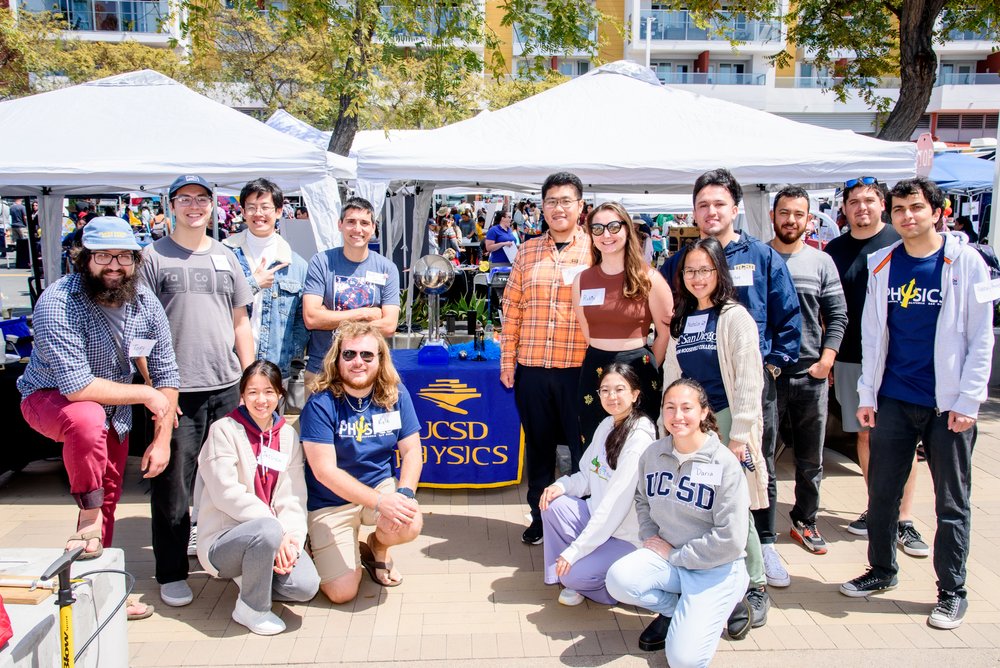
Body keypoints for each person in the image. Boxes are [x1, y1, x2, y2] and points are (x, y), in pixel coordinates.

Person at [840, 177, 994, 631]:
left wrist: (969, 400)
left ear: (937, 211)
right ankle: (882, 570)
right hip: (893, 400)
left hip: (948, 406)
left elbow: (982, 338)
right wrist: (867, 394)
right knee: (882, 494)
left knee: (952, 503)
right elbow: (872, 333)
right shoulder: (882, 262)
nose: (908, 216)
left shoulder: (966, 263)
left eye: (917, 208)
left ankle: (952, 590)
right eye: (900, 209)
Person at [18, 217, 179, 621]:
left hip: (114, 413)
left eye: (124, 255)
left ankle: (104, 589)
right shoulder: (59, 301)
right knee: (88, 418)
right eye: (103, 255)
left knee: (111, 493)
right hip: (49, 399)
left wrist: (160, 441)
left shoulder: (144, 301)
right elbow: (76, 387)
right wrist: (145, 394)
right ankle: (86, 513)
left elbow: (167, 373)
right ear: (83, 258)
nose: (114, 264)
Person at [659, 168, 800, 590]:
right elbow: (672, 324)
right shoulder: (676, 264)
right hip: (698, 409)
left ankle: (764, 548)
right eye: (703, 204)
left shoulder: (761, 256)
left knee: (756, 472)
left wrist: (768, 368)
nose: (711, 211)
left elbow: (787, 316)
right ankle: (721, 558)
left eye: (719, 203)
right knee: (713, 488)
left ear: (735, 208)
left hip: (747, 392)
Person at [140, 174, 255, 608]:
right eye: (185, 198)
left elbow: (240, 322)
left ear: (213, 206)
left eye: (202, 199)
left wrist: (250, 381)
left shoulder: (227, 257)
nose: (194, 206)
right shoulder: (151, 257)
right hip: (174, 390)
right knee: (173, 488)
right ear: (171, 204)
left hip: (226, 386)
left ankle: (226, 555)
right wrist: (154, 391)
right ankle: (171, 571)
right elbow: (140, 332)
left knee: (231, 477)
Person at [661, 236, 768, 637]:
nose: (697, 277)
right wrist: (667, 423)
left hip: (725, 422)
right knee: (695, 505)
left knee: (735, 508)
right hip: (689, 426)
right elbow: (673, 375)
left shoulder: (734, 317)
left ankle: (754, 585)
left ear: (719, 271)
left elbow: (749, 378)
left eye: (705, 269)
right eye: (690, 270)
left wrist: (740, 434)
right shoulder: (683, 319)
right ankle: (709, 578)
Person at [606, 379, 751, 664]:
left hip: (714, 568)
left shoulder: (723, 464)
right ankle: (677, 608)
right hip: (670, 558)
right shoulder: (654, 453)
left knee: (682, 661)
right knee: (618, 580)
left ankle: (725, 600)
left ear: (704, 412)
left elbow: (731, 540)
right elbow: (642, 500)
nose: (678, 416)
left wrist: (677, 555)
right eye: (670, 408)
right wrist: (651, 539)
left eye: (687, 408)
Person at [824, 177, 926, 553]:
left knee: (904, 441)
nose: (861, 207)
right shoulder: (834, 250)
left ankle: (905, 518)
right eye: (854, 201)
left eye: (869, 200)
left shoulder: (900, 245)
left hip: (898, 359)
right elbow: (827, 309)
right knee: (865, 436)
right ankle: (877, 508)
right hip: (851, 357)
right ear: (845, 208)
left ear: (882, 204)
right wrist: (830, 355)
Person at [300, 321, 423, 602]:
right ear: (337, 358)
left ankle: (376, 547)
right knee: (342, 593)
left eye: (367, 355)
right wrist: (381, 503)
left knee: (410, 521)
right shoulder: (320, 403)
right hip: (330, 502)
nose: (359, 362)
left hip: (378, 488)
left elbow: (412, 451)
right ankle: (316, 541)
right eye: (350, 354)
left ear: (380, 359)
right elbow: (324, 472)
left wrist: (403, 495)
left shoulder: (395, 394)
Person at [501, 172, 591, 546]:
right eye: (551, 201)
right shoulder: (527, 250)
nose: (558, 208)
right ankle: (540, 518)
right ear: (542, 207)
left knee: (583, 449)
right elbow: (512, 309)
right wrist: (508, 361)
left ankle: (584, 520)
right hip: (533, 370)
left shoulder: (596, 250)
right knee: (538, 449)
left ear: (580, 207)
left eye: (566, 200)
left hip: (580, 372)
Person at [196, 361, 319, 635]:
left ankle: (254, 573)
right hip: (223, 542)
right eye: (252, 392)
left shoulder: (287, 435)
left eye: (268, 392)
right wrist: (274, 529)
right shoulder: (224, 430)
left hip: (272, 533)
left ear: (279, 394)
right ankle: (252, 608)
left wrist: (292, 541)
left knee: (305, 586)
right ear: (242, 395)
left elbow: (293, 497)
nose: (261, 400)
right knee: (266, 529)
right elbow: (226, 493)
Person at [767, 186, 847, 555]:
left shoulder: (821, 262)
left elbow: (837, 316)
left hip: (810, 373)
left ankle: (805, 520)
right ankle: (762, 527)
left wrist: (826, 360)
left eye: (798, 214)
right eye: (784, 213)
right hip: (768, 374)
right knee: (762, 455)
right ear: (773, 215)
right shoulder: (760, 257)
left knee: (810, 457)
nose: (791, 220)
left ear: (809, 220)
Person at [539, 363, 657, 606]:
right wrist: (560, 486)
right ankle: (572, 574)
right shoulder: (607, 425)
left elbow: (614, 506)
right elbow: (586, 476)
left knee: (572, 572)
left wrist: (575, 551)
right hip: (598, 522)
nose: (611, 396)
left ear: (635, 394)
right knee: (552, 504)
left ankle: (608, 586)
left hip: (625, 536)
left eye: (619, 389)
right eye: (605, 390)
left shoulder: (639, 438)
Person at [573, 201, 673, 446]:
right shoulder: (581, 280)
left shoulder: (649, 278)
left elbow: (665, 334)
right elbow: (586, 330)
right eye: (597, 228)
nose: (606, 234)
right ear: (591, 235)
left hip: (638, 369)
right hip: (595, 368)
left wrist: (646, 365)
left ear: (627, 229)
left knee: (637, 446)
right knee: (594, 444)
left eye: (613, 226)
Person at [302, 197, 400, 396]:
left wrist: (329, 316)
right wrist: (365, 313)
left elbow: (389, 326)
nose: (358, 229)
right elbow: (311, 318)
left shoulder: (387, 268)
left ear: (373, 228)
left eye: (364, 223)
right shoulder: (321, 262)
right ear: (340, 225)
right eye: (351, 222)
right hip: (323, 370)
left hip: (369, 372)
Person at [223, 178, 308, 382]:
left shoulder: (296, 264)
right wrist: (252, 284)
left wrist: (290, 354)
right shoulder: (225, 255)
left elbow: (301, 321)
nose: (258, 214)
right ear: (242, 212)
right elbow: (215, 305)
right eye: (251, 207)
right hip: (229, 367)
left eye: (265, 207)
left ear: (279, 211)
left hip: (276, 368)